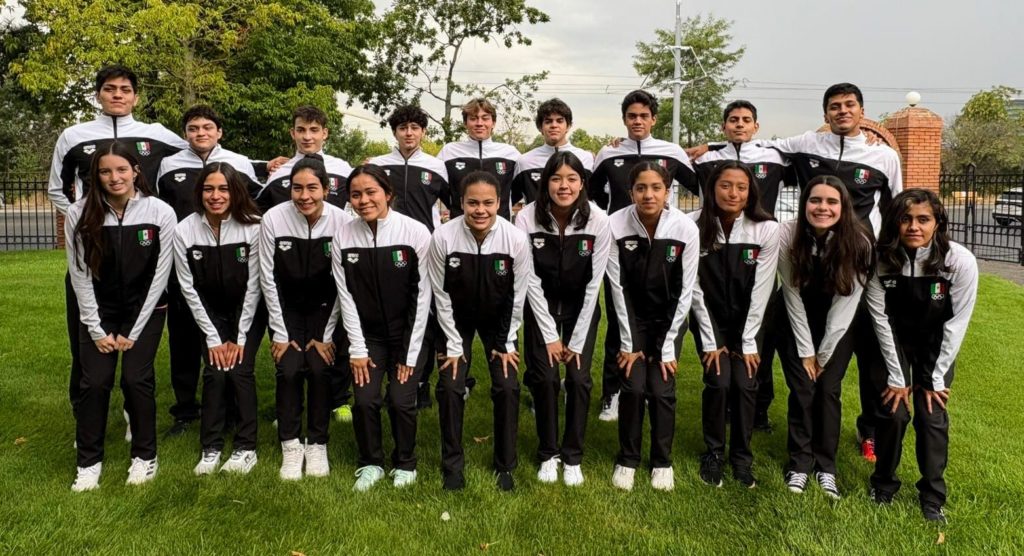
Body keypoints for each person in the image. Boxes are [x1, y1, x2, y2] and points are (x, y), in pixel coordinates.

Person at [693, 84, 903, 460]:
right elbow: (754, 144)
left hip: (853, 266)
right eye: (835, 106)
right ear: (825, 114)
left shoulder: (883, 156)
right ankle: (755, 410)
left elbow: (895, 208)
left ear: (862, 111)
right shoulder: (806, 144)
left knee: (869, 354)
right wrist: (712, 146)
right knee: (770, 331)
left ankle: (869, 429)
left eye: (849, 105)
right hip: (807, 262)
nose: (842, 111)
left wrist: (888, 256)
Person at [49, 65, 186, 437]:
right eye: (110, 89)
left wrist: (263, 165)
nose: (117, 95)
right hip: (94, 255)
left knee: (137, 346)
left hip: (141, 254)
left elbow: (200, 154)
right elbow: (57, 189)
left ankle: (131, 413)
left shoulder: (156, 135)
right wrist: (90, 223)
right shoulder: (73, 136)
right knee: (85, 345)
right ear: (98, 94)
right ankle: (85, 417)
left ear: (135, 96)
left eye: (125, 89)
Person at [428, 171, 561, 492]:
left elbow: (518, 294)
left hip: (498, 320)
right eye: (472, 203)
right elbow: (440, 295)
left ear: (500, 203)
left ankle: (505, 465)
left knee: (507, 386)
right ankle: (452, 466)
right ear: (461, 203)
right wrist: (453, 344)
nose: (480, 210)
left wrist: (506, 341)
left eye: (488, 203)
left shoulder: (514, 238)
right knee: (450, 386)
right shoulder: (442, 237)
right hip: (455, 320)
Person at [65, 142, 177, 491]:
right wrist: (96, 328)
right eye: (105, 171)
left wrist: (133, 330)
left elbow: (160, 276)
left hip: (146, 312)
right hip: (98, 313)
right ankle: (88, 463)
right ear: (96, 175)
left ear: (135, 171)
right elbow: (79, 273)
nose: (114, 177)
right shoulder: (79, 212)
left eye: (121, 170)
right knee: (94, 382)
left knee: (135, 379)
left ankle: (144, 457)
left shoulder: (160, 212)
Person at [866, 189, 978, 523]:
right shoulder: (880, 259)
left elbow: (957, 323)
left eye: (923, 219)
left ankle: (932, 497)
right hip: (893, 342)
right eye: (905, 219)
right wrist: (897, 376)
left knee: (931, 415)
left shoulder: (958, 261)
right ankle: (883, 484)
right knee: (894, 412)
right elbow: (880, 319)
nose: (914, 227)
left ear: (937, 223)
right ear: (894, 223)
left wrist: (935, 378)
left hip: (935, 344)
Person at [589, 90, 697, 423]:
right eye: (632, 116)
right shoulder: (609, 152)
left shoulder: (671, 152)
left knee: (659, 318)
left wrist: (711, 148)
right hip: (621, 248)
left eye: (643, 116)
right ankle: (613, 393)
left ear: (653, 119)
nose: (637, 121)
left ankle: (650, 387)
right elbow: (592, 195)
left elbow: (700, 186)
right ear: (624, 119)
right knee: (619, 319)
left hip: (661, 247)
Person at [777, 175, 887, 499]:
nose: (822, 207)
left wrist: (822, 356)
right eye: (815, 200)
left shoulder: (860, 242)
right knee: (802, 389)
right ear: (804, 204)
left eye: (831, 201)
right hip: (795, 320)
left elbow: (846, 304)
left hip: (840, 324)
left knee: (827, 389)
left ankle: (826, 467)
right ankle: (799, 463)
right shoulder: (787, 234)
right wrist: (805, 352)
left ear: (843, 206)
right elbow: (791, 294)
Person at [157, 105, 262, 436]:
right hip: (186, 262)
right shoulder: (168, 165)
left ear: (219, 132)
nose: (200, 133)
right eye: (193, 128)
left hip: (230, 267)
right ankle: (185, 410)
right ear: (185, 133)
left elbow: (255, 203)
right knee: (184, 342)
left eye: (207, 127)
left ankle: (229, 411)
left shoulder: (239, 163)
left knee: (227, 341)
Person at [693, 101, 793, 431]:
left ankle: (759, 411)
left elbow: (811, 159)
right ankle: (723, 408)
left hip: (760, 252)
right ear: (723, 126)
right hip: (720, 251)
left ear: (756, 126)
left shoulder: (775, 158)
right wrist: (711, 147)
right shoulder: (706, 161)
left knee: (760, 348)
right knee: (722, 349)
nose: (739, 124)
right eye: (733, 120)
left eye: (746, 120)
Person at [332, 164, 433, 491]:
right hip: (369, 337)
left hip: (408, 335)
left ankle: (405, 463)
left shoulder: (415, 232)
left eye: (371, 192)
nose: (363, 200)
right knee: (364, 400)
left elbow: (423, 296)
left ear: (388, 193)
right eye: (356, 195)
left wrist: (409, 354)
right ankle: (370, 462)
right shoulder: (343, 235)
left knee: (401, 400)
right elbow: (345, 297)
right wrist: (357, 349)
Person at [514, 151, 610, 486]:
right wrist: (550, 335)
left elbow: (594, 283)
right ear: (545, 183)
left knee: (579, 380)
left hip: (581, 308)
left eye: (571, 179)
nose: (563, 186)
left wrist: (577, 339)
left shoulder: (598, 220)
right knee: (545, 379)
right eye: (556, 179)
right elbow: (529, 279)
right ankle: (548, 453)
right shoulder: (527, 218)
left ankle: (572, 456)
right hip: (540, 307)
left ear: (582, 183)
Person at [605, 161, 699, 492]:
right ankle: (627, 459)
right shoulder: (614, 224)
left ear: (667, 191)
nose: (648, 195)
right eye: (641, 188)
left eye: (656, 188)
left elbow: (685, 290)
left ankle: (662, 461)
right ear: (631, 192)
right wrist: (630, 344)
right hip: (631, 321)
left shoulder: (685, 228)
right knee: (632, 387)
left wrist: (666, 345)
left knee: (661, 389)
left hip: (668, 322)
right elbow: (617, 288)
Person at [688, 161, 779, 489]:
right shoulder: (692, 225)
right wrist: (711, 339)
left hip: (750, 323)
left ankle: (742, 458)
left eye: (741, 187)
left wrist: (748, 341)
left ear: (751, 192)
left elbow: (762, 289)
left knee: (745, 383)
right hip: (709, 320)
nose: (733, 193)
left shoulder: (766, 229)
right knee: (718, 381)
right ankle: (713, 452)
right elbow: (693, 287)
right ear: (712, 188)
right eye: (725, 185)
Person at [260, 156, 351, 480]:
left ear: (326, 189)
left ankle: (317, 443)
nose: (304, 196)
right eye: (297, 188)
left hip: (326, 309)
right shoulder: (273, 218)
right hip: (286, 309)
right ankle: (290, 444)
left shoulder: (341, 221)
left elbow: (342, 282)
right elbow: (267, 276)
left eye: (312, 188)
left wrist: (326, 335)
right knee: (288, 370)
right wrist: (280, 332)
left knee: (319, 367)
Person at [172, 163, 263, 475]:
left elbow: (254, 285)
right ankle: (210, 446)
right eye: (209, 189)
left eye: (223, 189)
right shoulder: (185, 230)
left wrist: (239, 337)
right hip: (208, 313)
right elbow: (188, 287)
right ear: (199, 192)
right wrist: (214, 337)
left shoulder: (253, 227)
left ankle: (246, 447)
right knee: (214, 371)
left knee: (239, 371)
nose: (216, 196)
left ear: (235, 191)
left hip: (247, 312)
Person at [368, 105, 451, 410]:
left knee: (423, 315)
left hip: (423, 251)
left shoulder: (436, 166)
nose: (409, 133)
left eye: (415, 127)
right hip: (385, 250)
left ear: (423, 132)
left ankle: (420, 382)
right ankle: (389, 377)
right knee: (393, 312)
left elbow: (453, 207)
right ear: (395, 132)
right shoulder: (378, 165)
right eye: (403, 128)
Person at [257, 105, 354, 213]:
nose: (307, 137)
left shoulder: (343, 170)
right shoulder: (278, 174)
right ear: (293, 133)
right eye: (301, 130)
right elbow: (258, 212)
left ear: (324, 133)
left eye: (314, 130)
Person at [438, 98, 521, 220]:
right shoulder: (449, 152)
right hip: (460, 226)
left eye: (485, 118)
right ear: (465, 123)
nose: (479, 123)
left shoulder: (510, 154)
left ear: (493, 123)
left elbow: (520, 189)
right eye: (473, 118)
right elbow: (439, 188)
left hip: (500, 226)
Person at [510, 98, 595, 205]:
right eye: (548, 121)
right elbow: (508, 200)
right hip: (537, 216)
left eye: (559, 121)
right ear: (540, 127)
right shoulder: (525, 162)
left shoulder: (586, 159)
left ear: (568, 126)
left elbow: (597, 196)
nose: (554, 125)